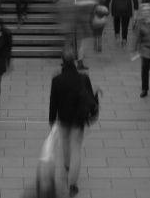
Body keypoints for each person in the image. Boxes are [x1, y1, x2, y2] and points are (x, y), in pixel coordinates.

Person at [48, 46, 95, 198]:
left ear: (62, 61)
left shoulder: (57, 80)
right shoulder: (83, 78)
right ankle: (72, 185)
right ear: (74, 60)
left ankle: (67, 167)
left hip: (64, 118)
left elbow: (53, 101)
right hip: (79, 119)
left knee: (65, 143)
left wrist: (51, 119)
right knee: (76, 149)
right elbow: (90, 99)